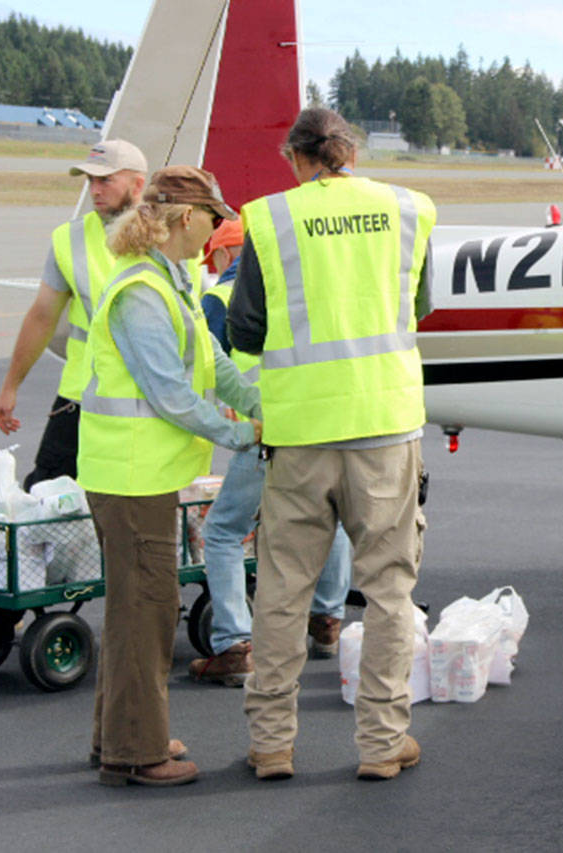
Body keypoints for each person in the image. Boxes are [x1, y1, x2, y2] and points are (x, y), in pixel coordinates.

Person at [228, 107, 435, 782]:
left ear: (298, 158)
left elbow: (248, 329)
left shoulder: (270, 219)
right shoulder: (409, 210)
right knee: (388, 593)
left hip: (300, 435)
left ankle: (271, 744)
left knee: (283, 593)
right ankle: (381, 742)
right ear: (351, 151)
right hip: (386, 429)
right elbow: (419, 304)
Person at [79, 165, 260, 787]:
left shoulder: (174, 281)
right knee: (146, 615)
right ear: (186, 219)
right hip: (129, 478)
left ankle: (118, 737)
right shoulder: (139, 293)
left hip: (143, 475)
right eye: (213, 218)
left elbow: (215, 364)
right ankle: (137, 754)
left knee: (134, 611)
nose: (218, 228)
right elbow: (172, 396)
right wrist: (244, 435)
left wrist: (267, 406)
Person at [188, 222, 353, 686]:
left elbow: (204, 369)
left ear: (225, 254)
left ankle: (234, 644)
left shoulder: (218, 300)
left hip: (264, 427)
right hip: (320, 420)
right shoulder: (299, 288)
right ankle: (327, 620)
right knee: (329, 517)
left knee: (223, 532)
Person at [0, 140, 147, 489]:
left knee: (128, 497)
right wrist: (10, 387)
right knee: (46, 491)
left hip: (148, 396)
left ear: (138, 185)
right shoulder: (71, 239)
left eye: (106, 180)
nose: (95, 190)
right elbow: (42, 316)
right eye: (90, 180)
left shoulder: (167, 237)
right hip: (81, 395)